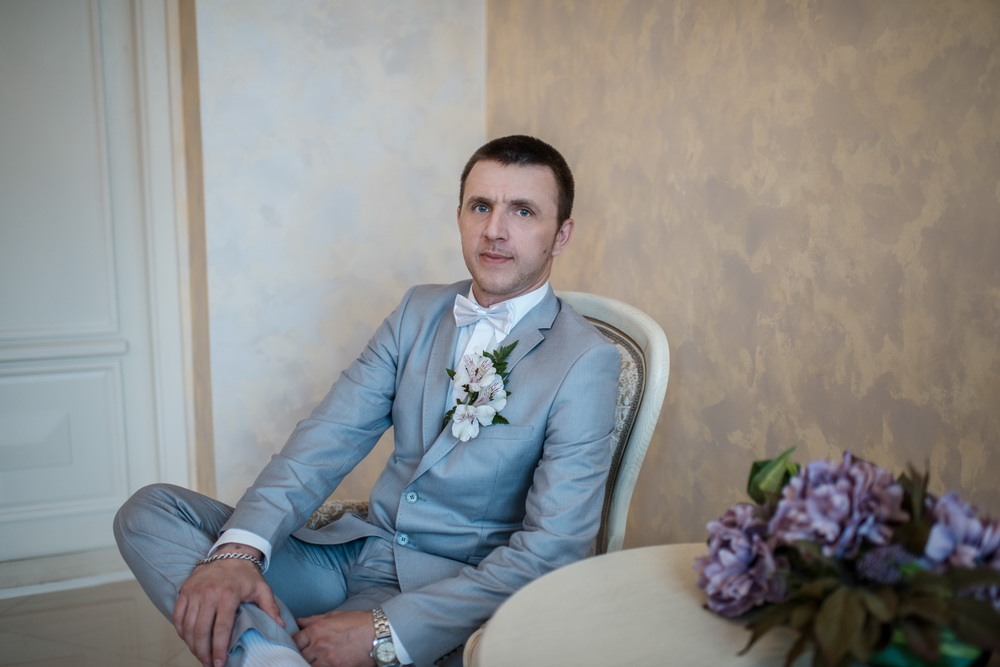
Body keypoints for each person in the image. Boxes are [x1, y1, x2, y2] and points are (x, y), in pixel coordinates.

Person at [115, 134, 621, 667]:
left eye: (523, 211)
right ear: (459, 217)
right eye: (480, 206)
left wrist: (387, 631)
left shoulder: (584, 360)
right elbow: (328, 436)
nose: (495, 230)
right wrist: (238, 554)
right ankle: (271, 653)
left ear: (561, 235)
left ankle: (265, 648)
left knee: (306, 628)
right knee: (148, 512)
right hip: (356, 553)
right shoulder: (418, 311)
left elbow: (553, 547)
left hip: (447, 589)